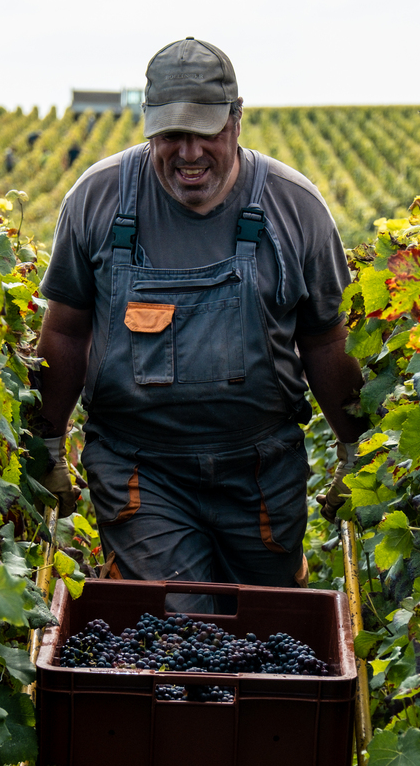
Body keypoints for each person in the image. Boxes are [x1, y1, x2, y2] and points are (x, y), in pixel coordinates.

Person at [35, 37, 362, 591]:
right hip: (140, 469)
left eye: (205, 132)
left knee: (265, 625)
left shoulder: (294, 207)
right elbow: (66, 331)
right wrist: (47, 442)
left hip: (261, 471)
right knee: (175, 623)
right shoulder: (99, 199)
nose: (188, 153)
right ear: (147, 126)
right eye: (170, 135)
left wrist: (357, 448)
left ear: (236, 120)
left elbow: (326, 341)